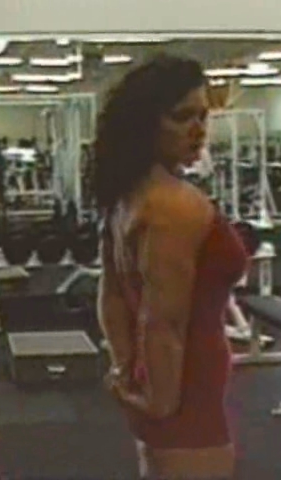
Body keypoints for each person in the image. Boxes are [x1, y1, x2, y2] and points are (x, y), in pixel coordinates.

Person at [92, 54, 250, 479]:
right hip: (185, 387)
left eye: (202, 116)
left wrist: (127, 370)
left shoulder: (127, 196)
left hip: (163, 378)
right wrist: (162, 401)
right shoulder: (175, 205)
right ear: (145, 124)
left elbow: (112, 297)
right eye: (181, 117)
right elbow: (163, 321)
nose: (198, 129)